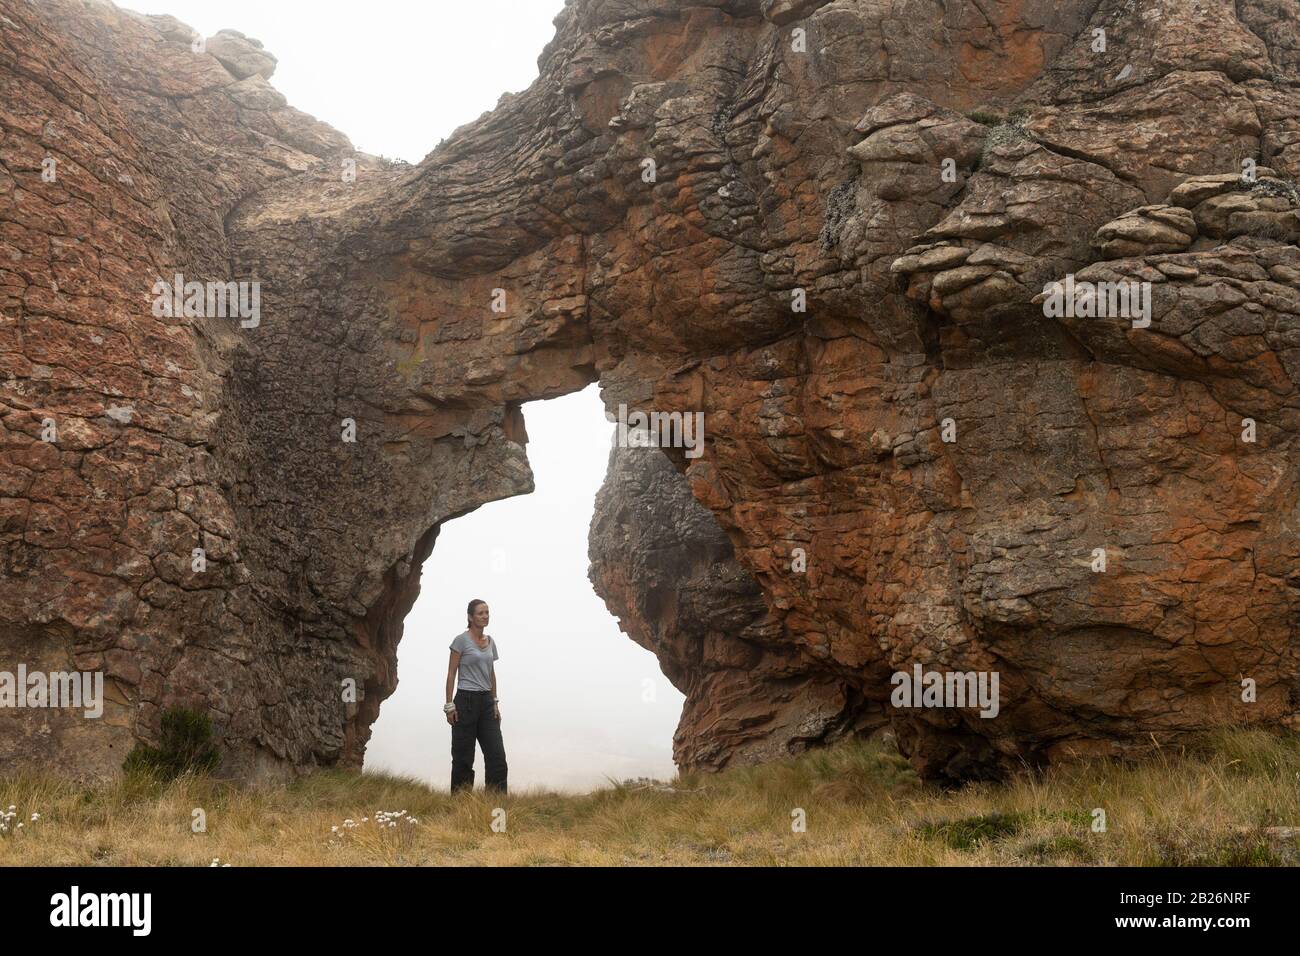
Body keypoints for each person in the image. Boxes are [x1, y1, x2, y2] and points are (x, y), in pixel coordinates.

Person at [444, 598, 507, 793]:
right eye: (480, 613)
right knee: (463, 757)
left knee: (496, 756)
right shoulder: (460, 641)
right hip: (465, 701)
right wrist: (449, 706)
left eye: (487, 612)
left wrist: (495, 702)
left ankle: (495, 802)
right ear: (470, 617)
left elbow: (491, 673)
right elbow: (451, 673)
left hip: (487, 702)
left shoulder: (490, 642)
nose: (485, 616)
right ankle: (461, 804)